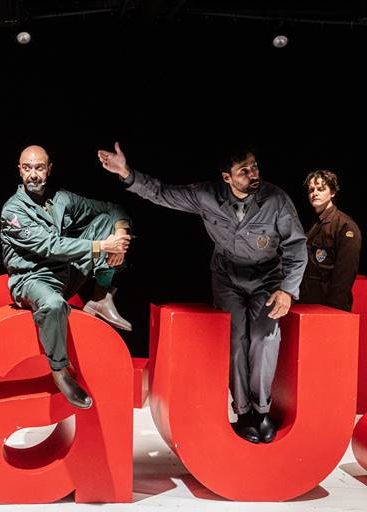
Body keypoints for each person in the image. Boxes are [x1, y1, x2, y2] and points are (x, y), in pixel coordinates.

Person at [98, 142, 306, 443]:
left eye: (254, 166)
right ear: (227, 178)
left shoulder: (276, 200)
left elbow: (296, 246)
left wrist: (287, 290)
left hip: (266, 278)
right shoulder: (207, 195)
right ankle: (244, 412)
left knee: (264, 338)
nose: (253, 174)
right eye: (244, 171)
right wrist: (127, 173)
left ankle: (262, 411)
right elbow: (163, 193)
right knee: (236, 339)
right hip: (228, 277)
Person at [0, 145, 133, 409]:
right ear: (20, 170)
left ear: (49, 169)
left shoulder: (61, 199)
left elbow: (113, 209)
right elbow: (49, 246)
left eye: (39, 168)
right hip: (32, 280)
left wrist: (119, 236)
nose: (33, 174)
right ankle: (60, 371)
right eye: (27, 168)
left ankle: (100, 297)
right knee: (53, 304)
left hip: (64, 272)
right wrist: (103, 247)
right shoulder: (13, 211)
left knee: (106, 223)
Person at [299, 170, 362, 311]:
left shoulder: (345, 226)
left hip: (330, 306)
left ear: (332, 192)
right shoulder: (313, 224)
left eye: (320, 189)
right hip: (307, 302)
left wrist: (333, 309)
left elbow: (345, 274)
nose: (314, 193)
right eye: (311, 190)